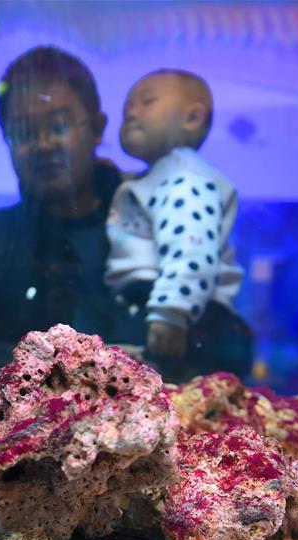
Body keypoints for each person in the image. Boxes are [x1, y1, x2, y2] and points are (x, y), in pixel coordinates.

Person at [0, 46, 134, 399]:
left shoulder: (151, 230)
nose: (43, 145)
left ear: (98, 128)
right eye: (26, 132)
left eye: (59, 126)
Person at [104, 69, 251, 382]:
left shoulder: (185, 177)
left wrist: (171, 313)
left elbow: (191, 245)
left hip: (181, 316)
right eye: (127, 106)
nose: (130, 112)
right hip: (161, 307)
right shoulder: (162, 175)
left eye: (147, 102)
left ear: (193, 118)